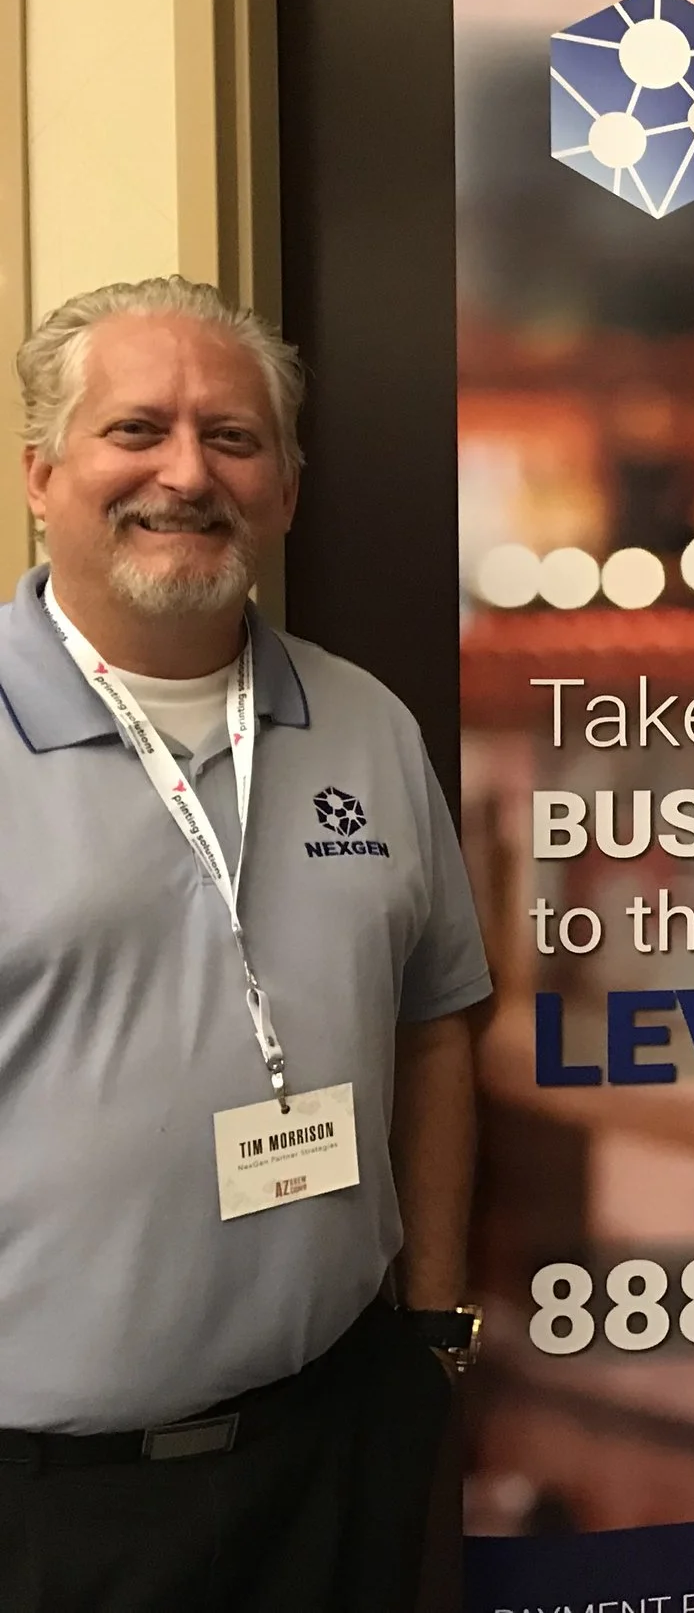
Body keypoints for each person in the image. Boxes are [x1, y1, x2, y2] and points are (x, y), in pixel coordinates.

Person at [0, 278, 491, 1610]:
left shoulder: (365, 724)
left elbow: (437, 1019)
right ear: (42, 474)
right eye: (136, 430)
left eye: (233, 436)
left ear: (284, 486)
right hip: (47, 1504)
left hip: (327, 1455)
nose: (186, 471)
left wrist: (433, 1335)